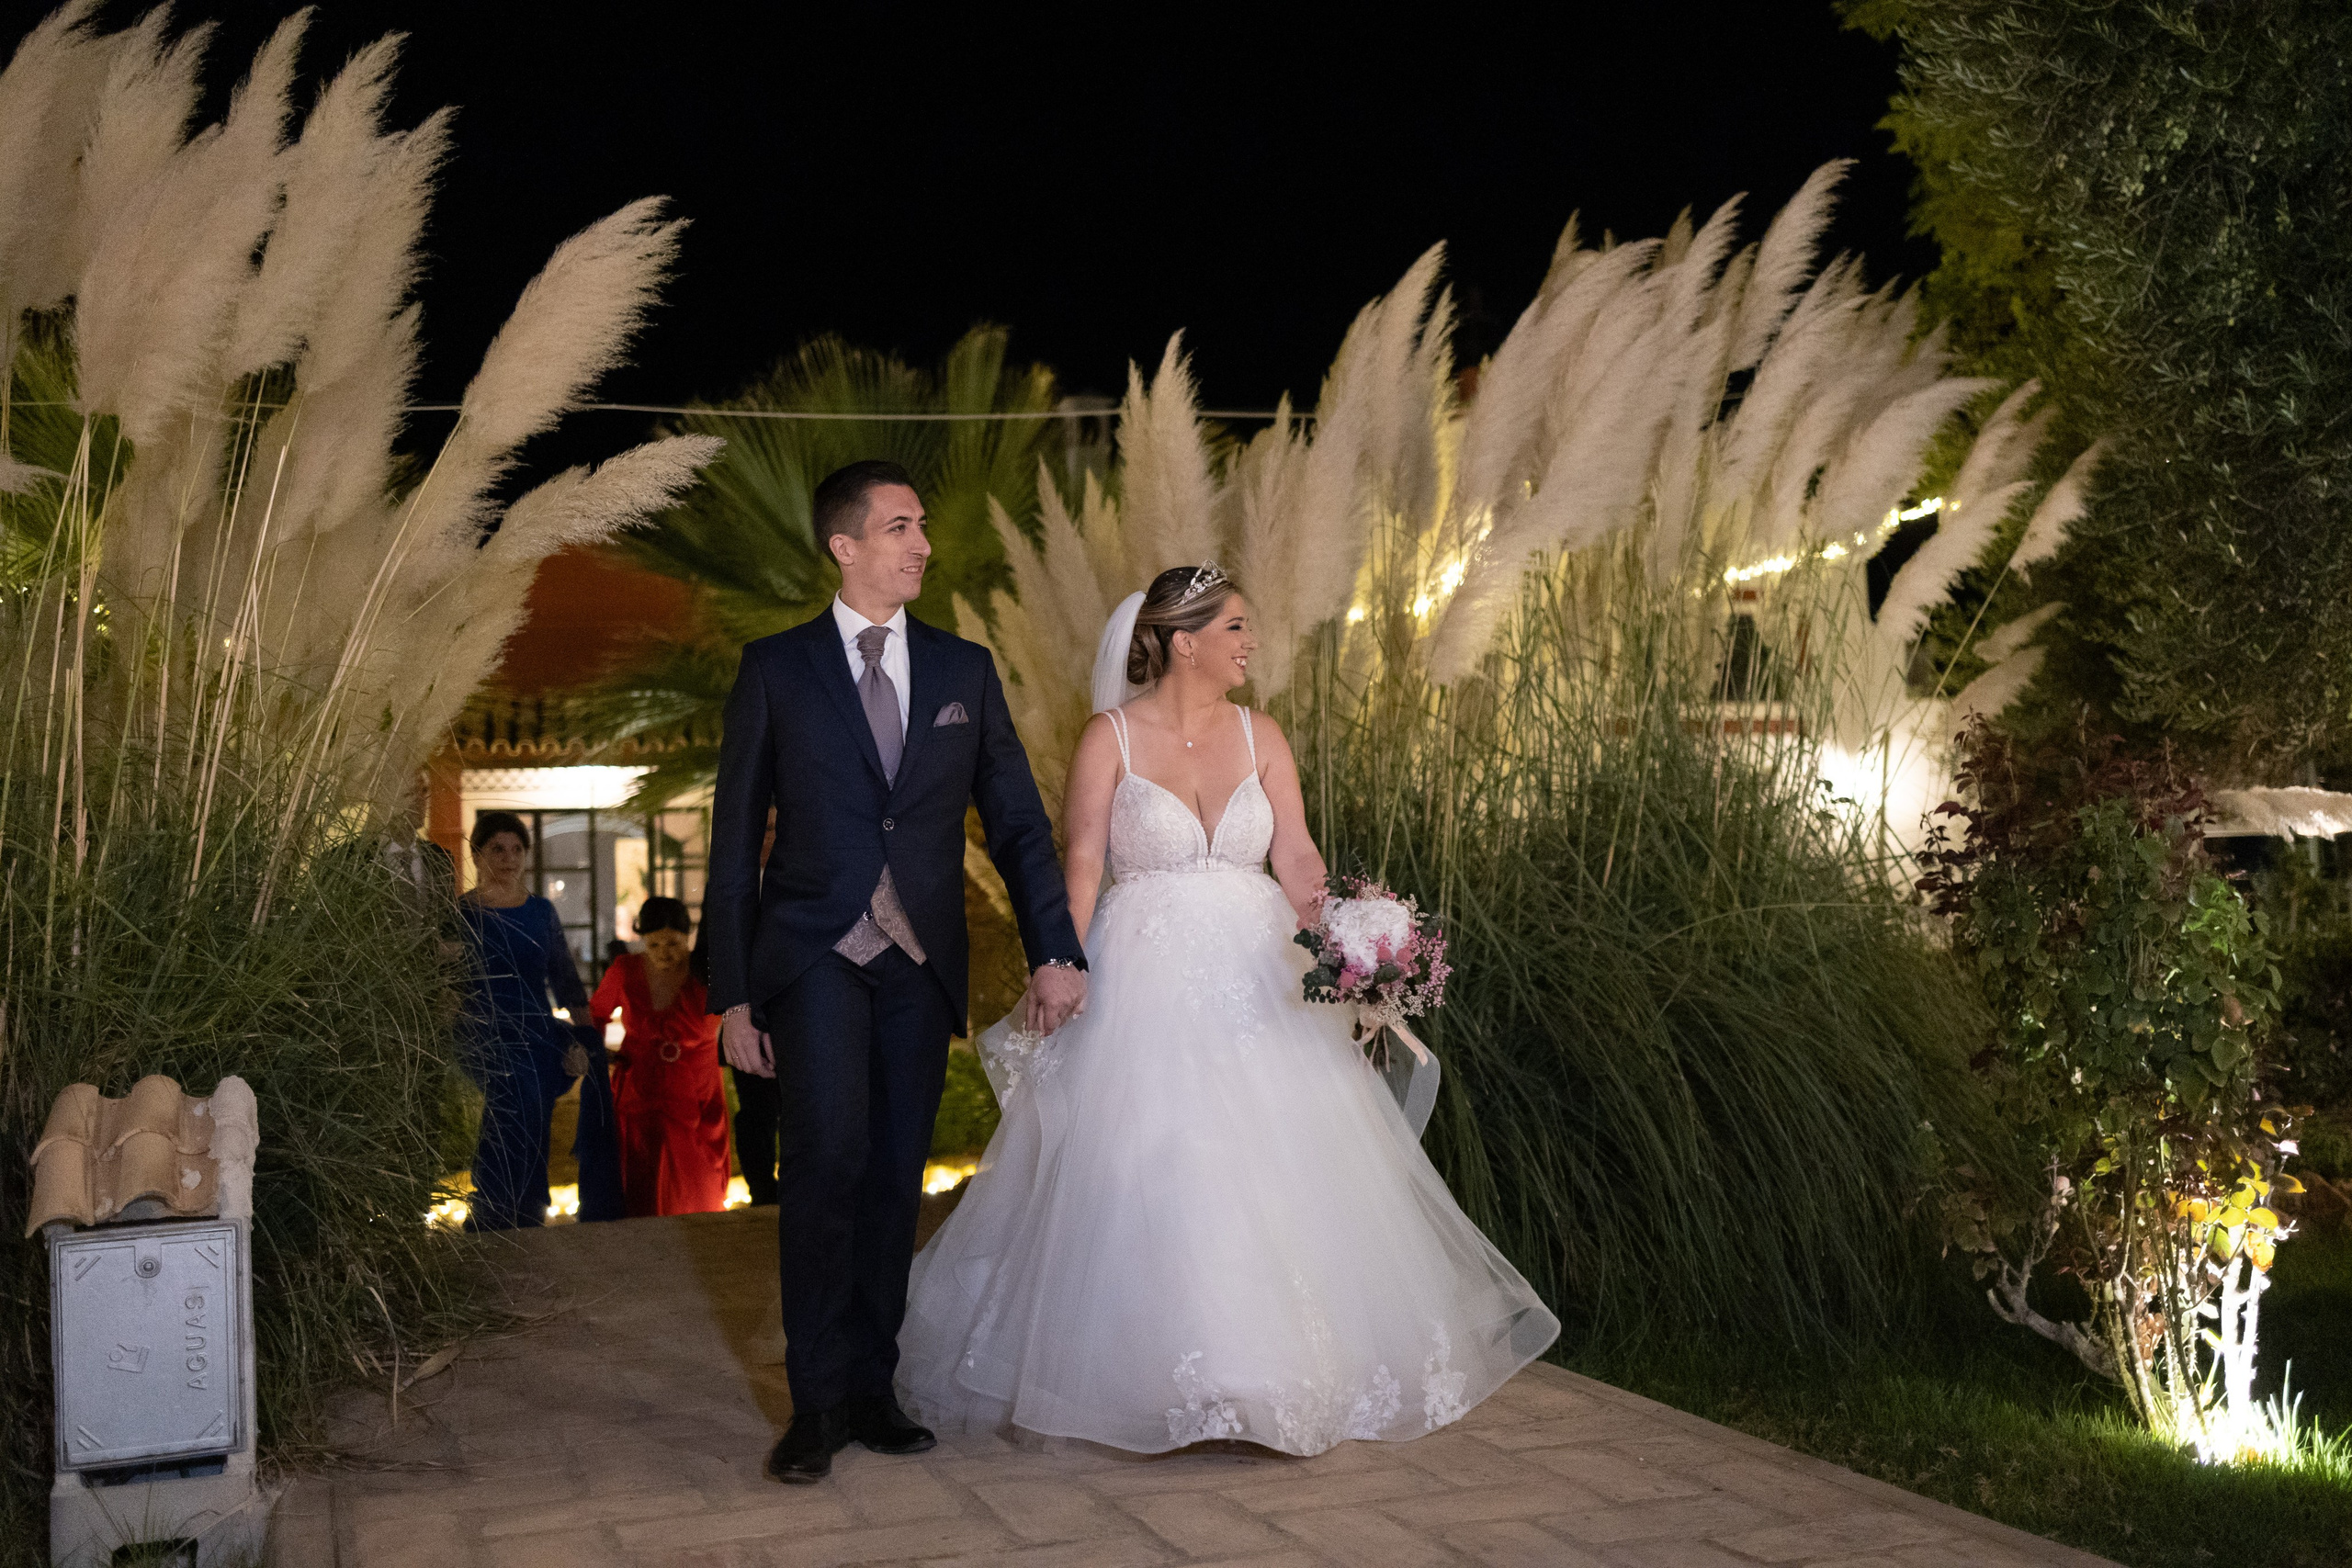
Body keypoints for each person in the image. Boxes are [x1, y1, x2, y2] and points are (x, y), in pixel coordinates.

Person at [897, 565, 1560, 1455]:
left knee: (1278, 1165)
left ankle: (1273, 1378)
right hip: (1142, 977)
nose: (1252, 644)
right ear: (1183, 641)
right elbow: (1082, 864)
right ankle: (1166, 1375)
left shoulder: (1263, 734)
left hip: (1262, 974)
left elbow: (1296, 861)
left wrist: (1355, 949)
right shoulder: (1111, 740)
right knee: (1160, 1161)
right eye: (1236, 627)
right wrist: (1060, 963)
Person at [707, 458, 1090, 1483]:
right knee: (824, 1164)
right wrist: (733, 993)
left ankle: (874, 1389)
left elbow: (1014, 823)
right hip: (814, 957)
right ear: (844, 546)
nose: (921, 544)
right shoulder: (776, 669)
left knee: (892, 1178)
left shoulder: (964, 671)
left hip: (919, 966)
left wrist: (1057, 947)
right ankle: (816, 1402)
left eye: (921, 525)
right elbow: (733, 840)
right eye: (899, 526)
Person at [456, 811, 594, 1231]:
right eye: (497, 848)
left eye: (517, 849)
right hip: (482, 1032)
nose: (508, 857)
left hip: (535, 1031)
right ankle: (494, 1209)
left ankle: (523, 1212)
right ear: (477, 854)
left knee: (534, 1114)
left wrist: (585, 1038)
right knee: (509, 1108)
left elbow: (565, 979)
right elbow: (445, 979)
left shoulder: (541, 911)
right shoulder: (462, 913)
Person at [592, 897, 731, 1216]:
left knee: (700, 1192)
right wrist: (597, 1053)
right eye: (654, 944)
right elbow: (596, 1013)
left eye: (673, 943)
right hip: (641, 1094)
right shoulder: (625, 970)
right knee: (641, 1184)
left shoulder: (708, 972)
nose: (664, 952)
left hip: (697, 1098)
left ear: (689, 936)